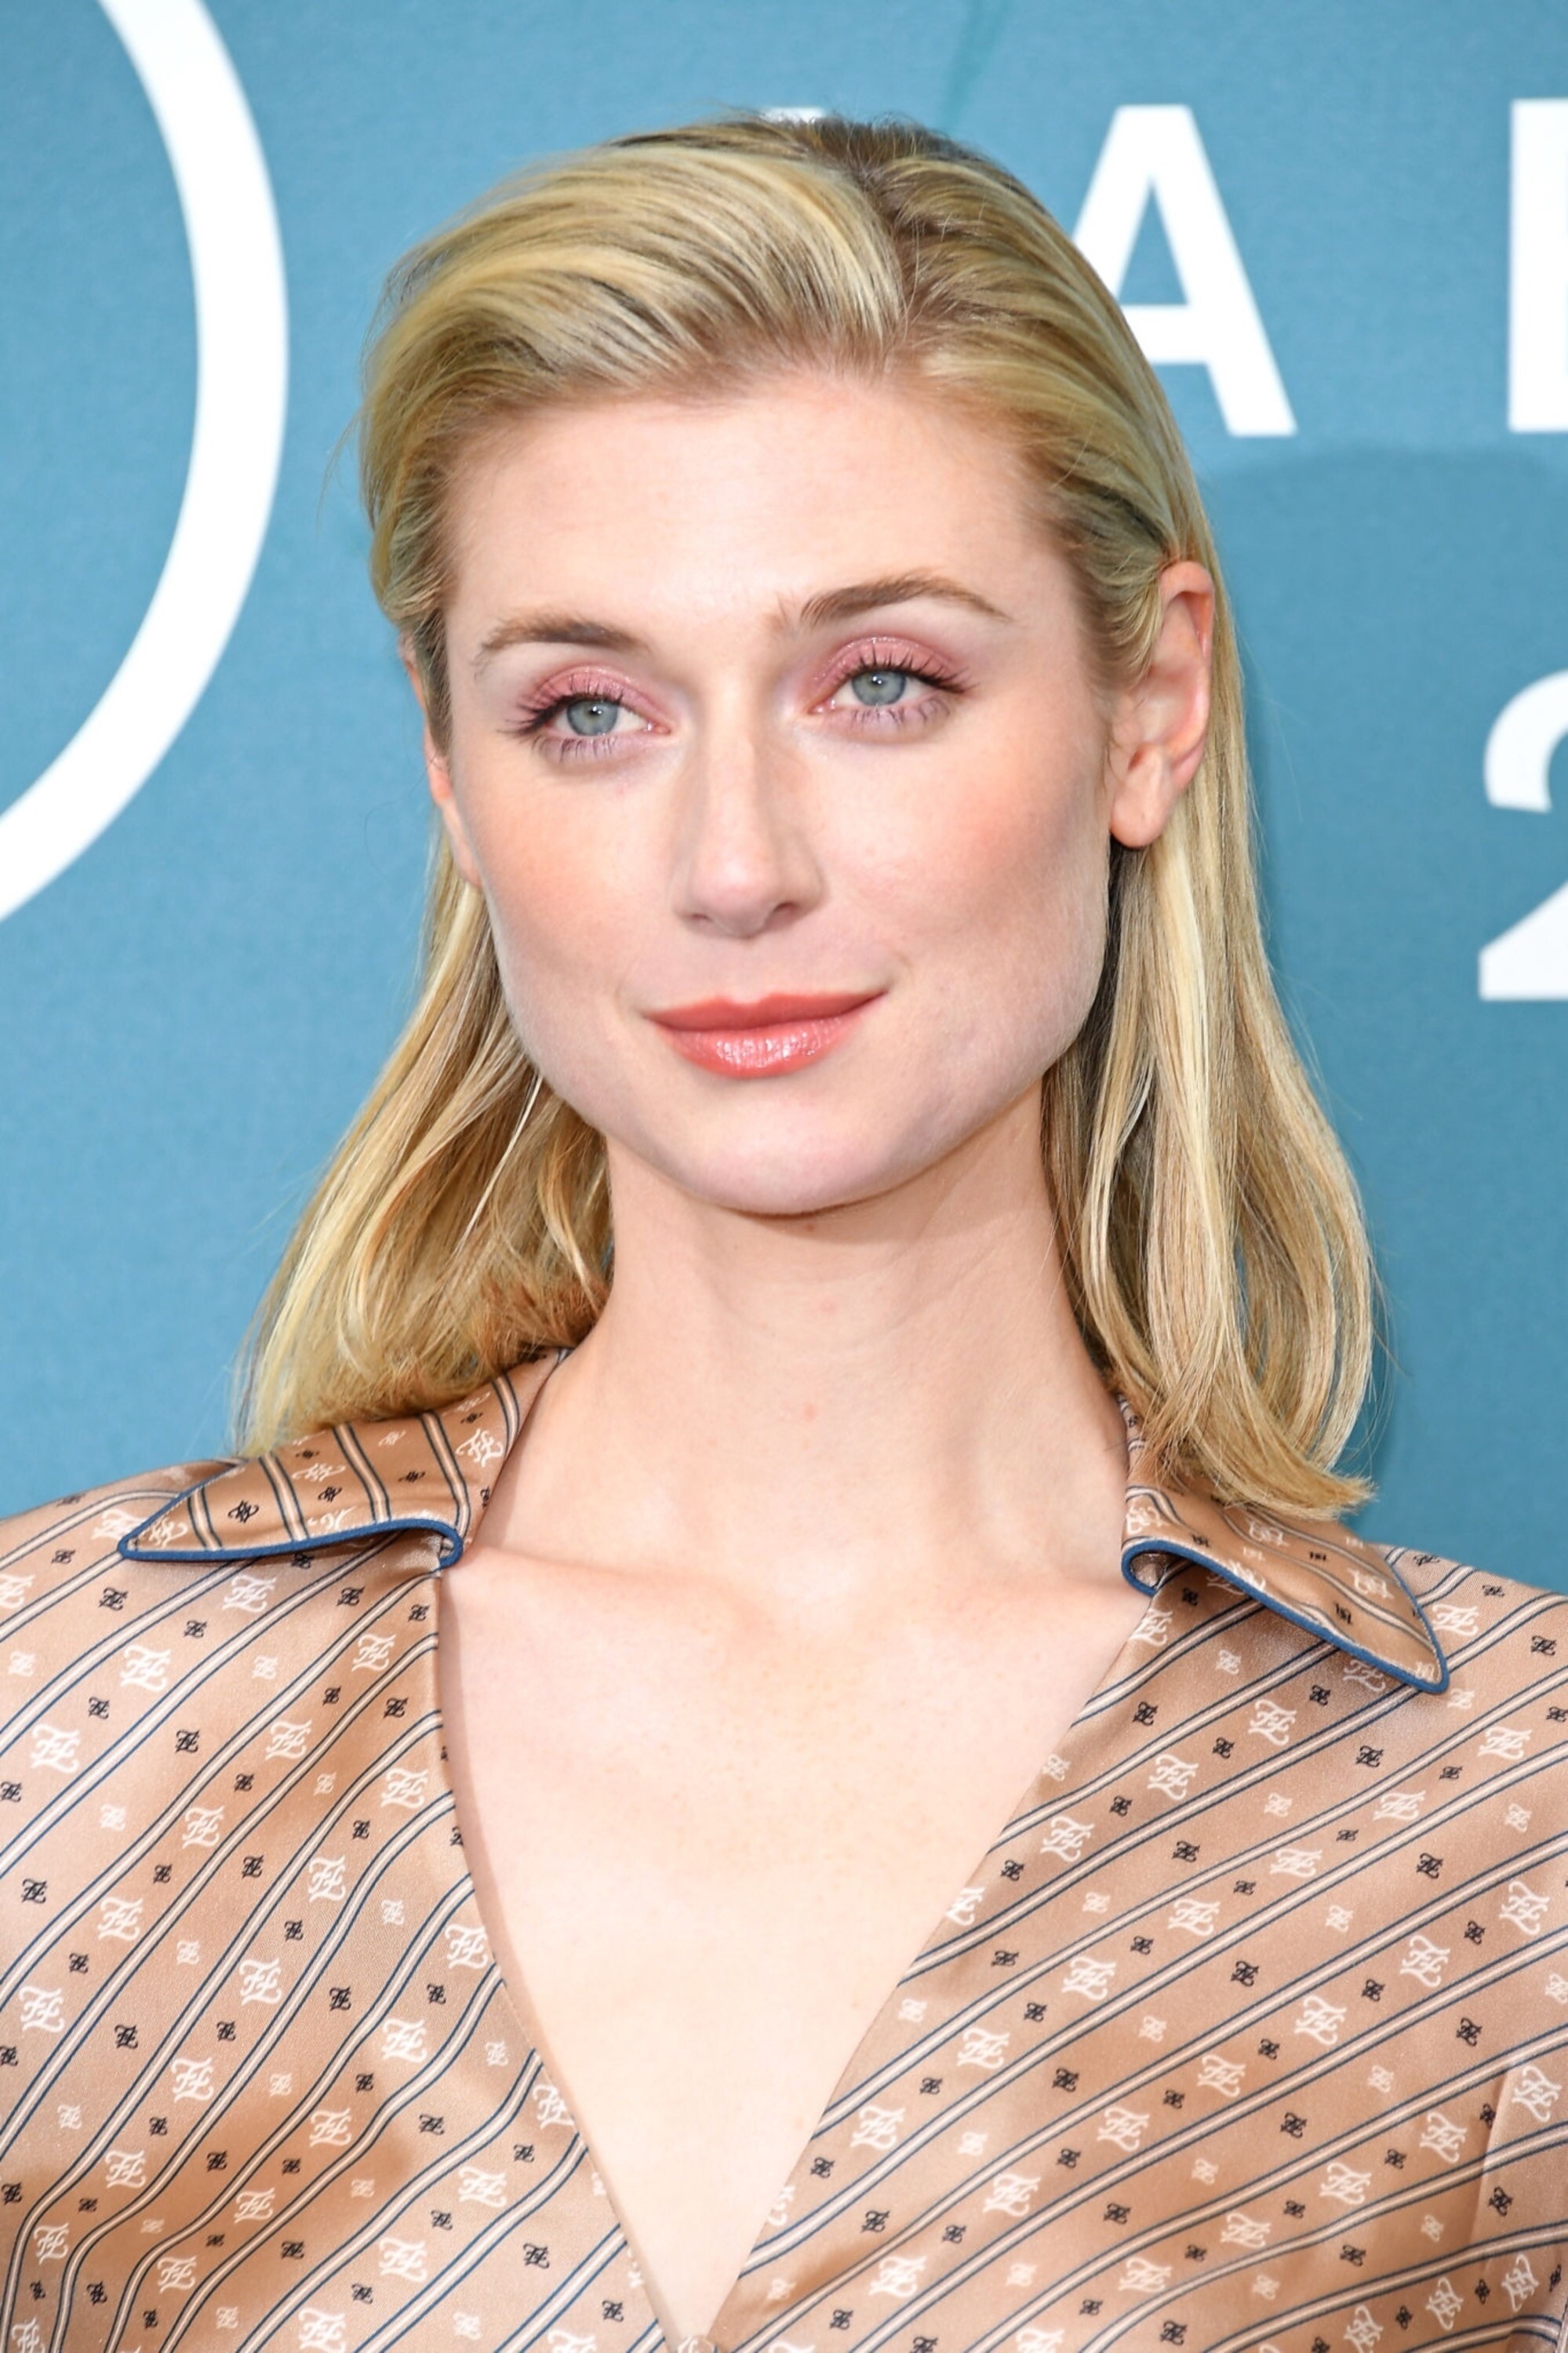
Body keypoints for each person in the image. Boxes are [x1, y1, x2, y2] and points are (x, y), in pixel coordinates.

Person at [1, 111, 1563, 2353]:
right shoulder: (63, 1730)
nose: (734, 864)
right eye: (590, 712)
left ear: (1150, 705)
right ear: (453, 780)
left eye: (880, 685)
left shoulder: (1507, 1831)